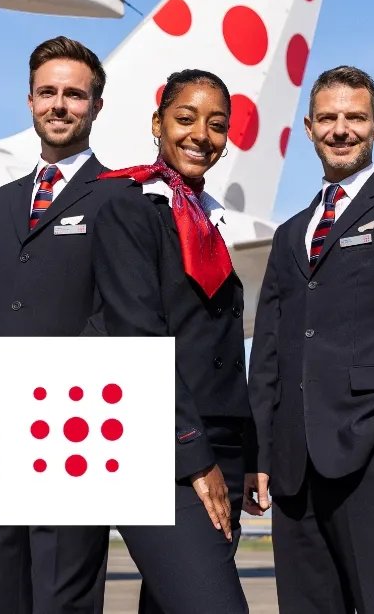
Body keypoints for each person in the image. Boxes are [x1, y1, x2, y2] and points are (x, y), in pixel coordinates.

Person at [246, 65, 374, 613]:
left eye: (355, 117)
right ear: (309, 128)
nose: (341, 130)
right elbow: (268, 350)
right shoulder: (290, 232)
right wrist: (261, 451)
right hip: (294, 468)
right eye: (328, 118)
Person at [0, 35, 128, 614]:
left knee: (63, 600)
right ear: (30, 102)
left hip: (72, 431)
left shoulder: (123, 199)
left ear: (96, 106)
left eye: (74, 94)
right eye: (47, 93)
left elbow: (121, 317)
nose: (59, 105)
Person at [90, 69, 252, 614]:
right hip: (162, 445)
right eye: (185, 118)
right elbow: (138, 338)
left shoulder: (207, 218)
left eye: (217, 125)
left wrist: (248, 451)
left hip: (221, 444)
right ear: (157, 124)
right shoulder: (128, 207)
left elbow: (222, 349)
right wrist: (193, 454)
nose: (201, 135)